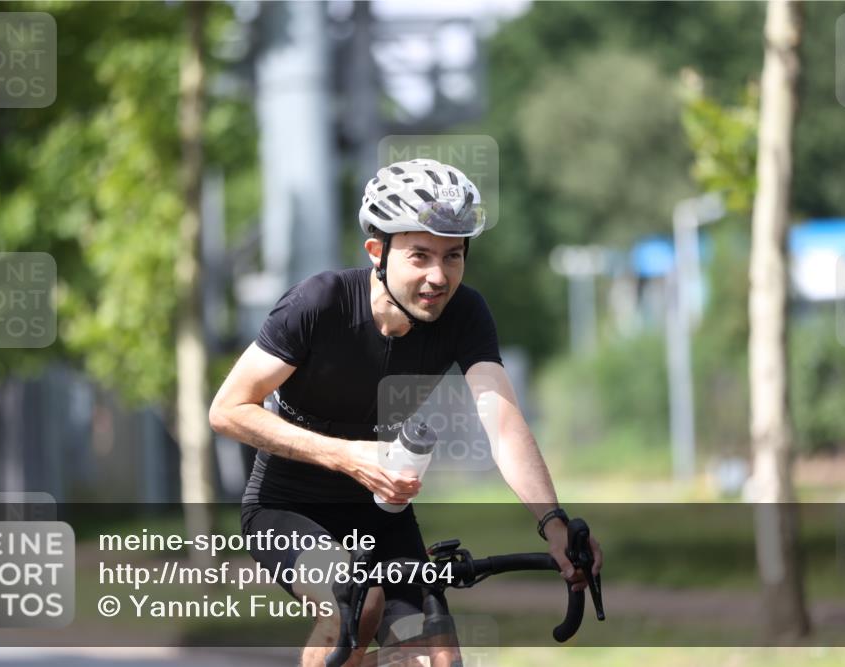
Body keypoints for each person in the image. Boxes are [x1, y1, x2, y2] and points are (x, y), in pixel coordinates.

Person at [209, 158, 602, 667]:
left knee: (433, 657)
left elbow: (502, 422)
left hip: (383, 517)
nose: (438, 277)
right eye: (420, 255)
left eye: (453, 257)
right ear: (378, 251)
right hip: (287, 506)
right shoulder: (320, 303)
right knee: (356, 603)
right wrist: (348, 456)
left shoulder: (465, 313)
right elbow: (228, 409)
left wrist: (553, 523)